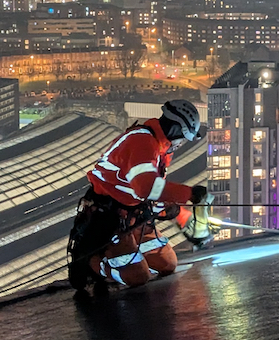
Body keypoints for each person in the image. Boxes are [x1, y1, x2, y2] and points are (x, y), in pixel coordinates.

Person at [76, 99, 209, 290]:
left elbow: (151, 193)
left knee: (168, 264)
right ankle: (93, 265)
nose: (181, 144)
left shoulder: (160, 149)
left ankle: (132, 256)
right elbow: (145, 188)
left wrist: (176, 213)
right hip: (112, 219)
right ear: (175, 131)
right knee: (138, 277)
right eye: (183, 138)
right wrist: (189, 193)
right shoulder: (142, 142)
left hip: (136, 217)